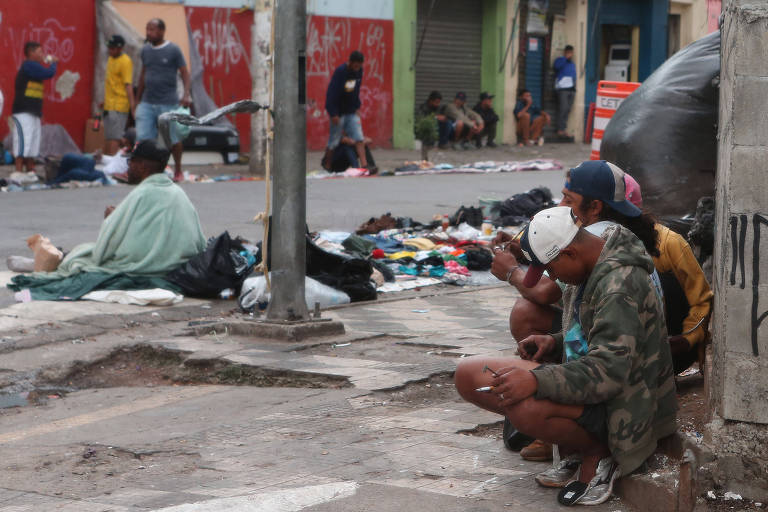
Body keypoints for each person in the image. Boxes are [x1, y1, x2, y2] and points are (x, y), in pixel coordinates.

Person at [456, 206, 677, 506]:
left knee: (525, 409)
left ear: (570, 253)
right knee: (469, 374)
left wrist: (535, 380)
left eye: (551, 268)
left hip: (627, 404)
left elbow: (608, 372)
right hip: (598, 384)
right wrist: (555, 341)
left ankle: (599, 451)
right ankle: (581, 444)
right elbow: (600, 336)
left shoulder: (619, 285)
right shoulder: (593, 261)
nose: (552, 277)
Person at [492, 160, 710, 461]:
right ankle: (565, 432)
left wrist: (688, 340)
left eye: (568, 200)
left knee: (525, 326)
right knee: (496, 373)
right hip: (618, 352)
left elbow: (702, 301)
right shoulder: (593, 241)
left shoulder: (608, 255)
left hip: (642, 371)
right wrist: (554, 341)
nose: (561, 206)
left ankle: (587, 448)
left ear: (595, 207)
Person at [135, 18, 191, 182]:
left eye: (152, 29)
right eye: (147, 29)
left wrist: (186, 94)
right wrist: (137, 100)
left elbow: (185, 73)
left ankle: (178, 170)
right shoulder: (145, 50)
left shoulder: (173, 50)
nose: (149, 33)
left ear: (161, 31)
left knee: (172, 139)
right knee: (143, 139)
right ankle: (148, 173)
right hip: (147, 101)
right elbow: (143, 74)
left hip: (168, 102)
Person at [11, 41, 58, 173]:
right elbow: (48, 73)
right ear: (31, 53)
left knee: (32, 145)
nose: (42, 54)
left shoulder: (35, 67)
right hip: (23, 112)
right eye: (39, 52)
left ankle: (30, 172)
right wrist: (54, 63)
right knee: (22, 144)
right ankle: (18, 173)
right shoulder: (29, 65)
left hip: (34, 112)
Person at [324, 51, 370, 170]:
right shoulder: (341, 72)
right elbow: (331, 93)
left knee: (359, 138)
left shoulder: (358, 72)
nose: (357, 69)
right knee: (333, 141)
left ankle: (365, 166)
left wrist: (357, 107)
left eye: (359, 66)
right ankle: (327, 165)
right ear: (350, 62)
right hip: (338, 113)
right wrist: (333, 113)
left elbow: (355, 91)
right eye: (355, 66)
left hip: (351, 111)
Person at [101, 34, 135, 156]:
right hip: (109, 105)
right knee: (108, 136)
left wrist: (133, 107)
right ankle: (106, 161)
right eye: (109, 48)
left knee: (115, 137)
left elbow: (128, 85)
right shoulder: (111, 59)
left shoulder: (126, 62)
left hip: (119, 105)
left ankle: (110, 163)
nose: (110, 50)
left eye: (113, 48)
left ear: (120, 48)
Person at [553, 45, 577, 138]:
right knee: (563, 109)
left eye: (571, 52)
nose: (570, 54)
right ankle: (560, 129)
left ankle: (563, 129)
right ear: (565, 52)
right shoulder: (560, 60)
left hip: (571, 89)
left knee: (567, 110)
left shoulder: (572, 64)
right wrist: (564, 58)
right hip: (562, 89)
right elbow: (556, 67)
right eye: (568, 52)